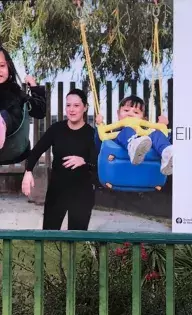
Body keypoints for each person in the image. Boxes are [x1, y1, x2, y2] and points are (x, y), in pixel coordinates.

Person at [21, 88, 98, 231]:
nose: (72, 109)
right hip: (57, 190)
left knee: (77, 238)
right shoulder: (56, 129)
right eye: (68, 105)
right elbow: (36, 151)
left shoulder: (91, 134)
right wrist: (28, 171)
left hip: (82, 192)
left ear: (85, 107)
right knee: (50, 235)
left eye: (76, 105)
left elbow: (98, 164)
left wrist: (84, 162)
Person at [95, 95, 173, 176]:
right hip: (119, 172)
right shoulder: (113, 135)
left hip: (146, 173)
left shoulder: (148, 135)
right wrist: (99, 125)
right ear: (118, 114)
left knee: (157, 135)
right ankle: (133, 145)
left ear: (144, 119)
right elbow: (100, 146)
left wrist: (163, 126)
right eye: (126, 110)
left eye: (136, 112)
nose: (130, 114)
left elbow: (163, 138)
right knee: (127, 130)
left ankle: (167, 154)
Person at [0, 46, 46, 162]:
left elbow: (40, 111)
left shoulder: (16, 92)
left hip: (14, 143)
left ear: (9, 67)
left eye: (2, 66)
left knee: (6, 114)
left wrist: (34, 87)